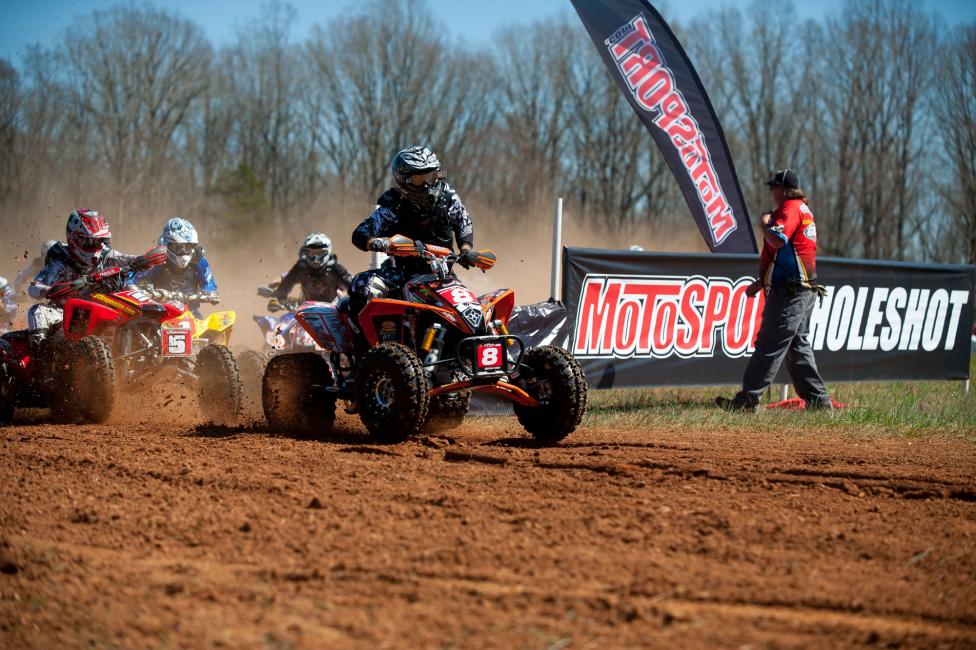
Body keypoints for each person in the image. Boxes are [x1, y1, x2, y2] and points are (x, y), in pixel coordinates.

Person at [716, 168, 832, 412]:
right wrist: (762, 282)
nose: (772, 194)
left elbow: (778, 240)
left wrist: (765, 226)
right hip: (802, 289)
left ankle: (747, 400)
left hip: (790, 292)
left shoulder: (789, 208)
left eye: (773, 189)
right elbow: (788, 254)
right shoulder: (803, 209)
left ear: (781, 189)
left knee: (770, 344)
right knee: (797, 348)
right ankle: (819, 403)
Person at [349, 145, 476, 315]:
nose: (426, 185)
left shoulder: (448, 198)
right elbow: (361, 233)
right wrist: (376, 242)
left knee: (469, 310)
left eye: (430, 177)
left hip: (443, 274)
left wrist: (466, 250)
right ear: (403, 180)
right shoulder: (394, 204)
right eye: (419, 179)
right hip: (403, 273)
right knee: (361, 284)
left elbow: (463, 224)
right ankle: (363, 340)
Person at [28, 209, 160, 344]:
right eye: (92, 241)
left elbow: (130, 260)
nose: (98, 246)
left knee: (137, 309)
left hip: (104, 309)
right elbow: (33, 289)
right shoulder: (61, 261)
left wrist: (147, 259)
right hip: (68, 316)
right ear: (76, 238)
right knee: (37, 311)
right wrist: (50, 290)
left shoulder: (107, 255)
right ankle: (41, 358)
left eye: (101, 240)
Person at [134, 218, 218, 315]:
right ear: (166, 245)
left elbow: (209, 285)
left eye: (188, 247)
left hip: (190, 313)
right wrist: (145, 287)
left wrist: (207, 294)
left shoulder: (198, 261)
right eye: (178, 247)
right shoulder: (158, 260)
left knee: (209, 328)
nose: (183, 252)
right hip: (159, 312)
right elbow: (138, 279)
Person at [273, 233, 352, 303]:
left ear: (328, 251)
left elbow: (353, 286)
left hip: (334, 310)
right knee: (286, 319)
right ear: (306, 252)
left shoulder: (335, 267)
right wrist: (281, 298)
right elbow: (285, 285)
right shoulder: (301, 267)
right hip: (306, 311)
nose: (316, 257)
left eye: (320, 252)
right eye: (312, 253)